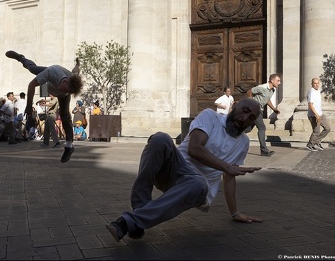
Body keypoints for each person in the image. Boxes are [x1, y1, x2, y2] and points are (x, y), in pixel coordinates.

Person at [106, 98, 263, 242]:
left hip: (196, 189)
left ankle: (132, 222)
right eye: (244, 110)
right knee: (160, 139)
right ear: (234, 106)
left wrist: (235, 213)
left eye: (251, 117)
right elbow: (194, 149)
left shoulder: (244, 143)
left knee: (200, 183)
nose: (244, 118)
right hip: (174, 171)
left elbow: (229, 177)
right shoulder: (211, 117)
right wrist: (227, 166)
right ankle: (139, 211)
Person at [5, 50, 82, 163]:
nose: (60, 91)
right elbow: (31, 85)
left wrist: (77, 64)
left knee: (65, 116)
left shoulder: (70, 83)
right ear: (64, 81)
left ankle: (69, 147)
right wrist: (28, 105)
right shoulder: (51, 72)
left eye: (66, 91)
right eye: (62, 88)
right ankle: (21, 58)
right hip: (51, 73)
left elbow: (76, 71)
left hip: (63, 92)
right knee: (32, 69)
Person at [245, 74, 281, 157]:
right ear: (272, 81)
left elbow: (266, 100)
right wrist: (251, 102)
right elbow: (249, 91)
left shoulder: (272, 90)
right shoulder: (262, 87)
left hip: (260, 110)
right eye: (278, 81)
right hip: (254, 109)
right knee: (262, 127)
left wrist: (274, 109)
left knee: (248, 129)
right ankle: (264, 150)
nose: (279, 83)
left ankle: (234, 135)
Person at [306, 78, 331, 151]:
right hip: (313, 115)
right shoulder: (311, 92)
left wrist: (319, 114)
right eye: (315, 83)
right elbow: (310, 105)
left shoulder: (318, 91)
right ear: (312, 84)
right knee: (316, 131)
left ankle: (317, 141)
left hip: (320, 114)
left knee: (328, 128)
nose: (316, 85)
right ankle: (310, 145)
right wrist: (316, 115)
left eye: (317, 83)